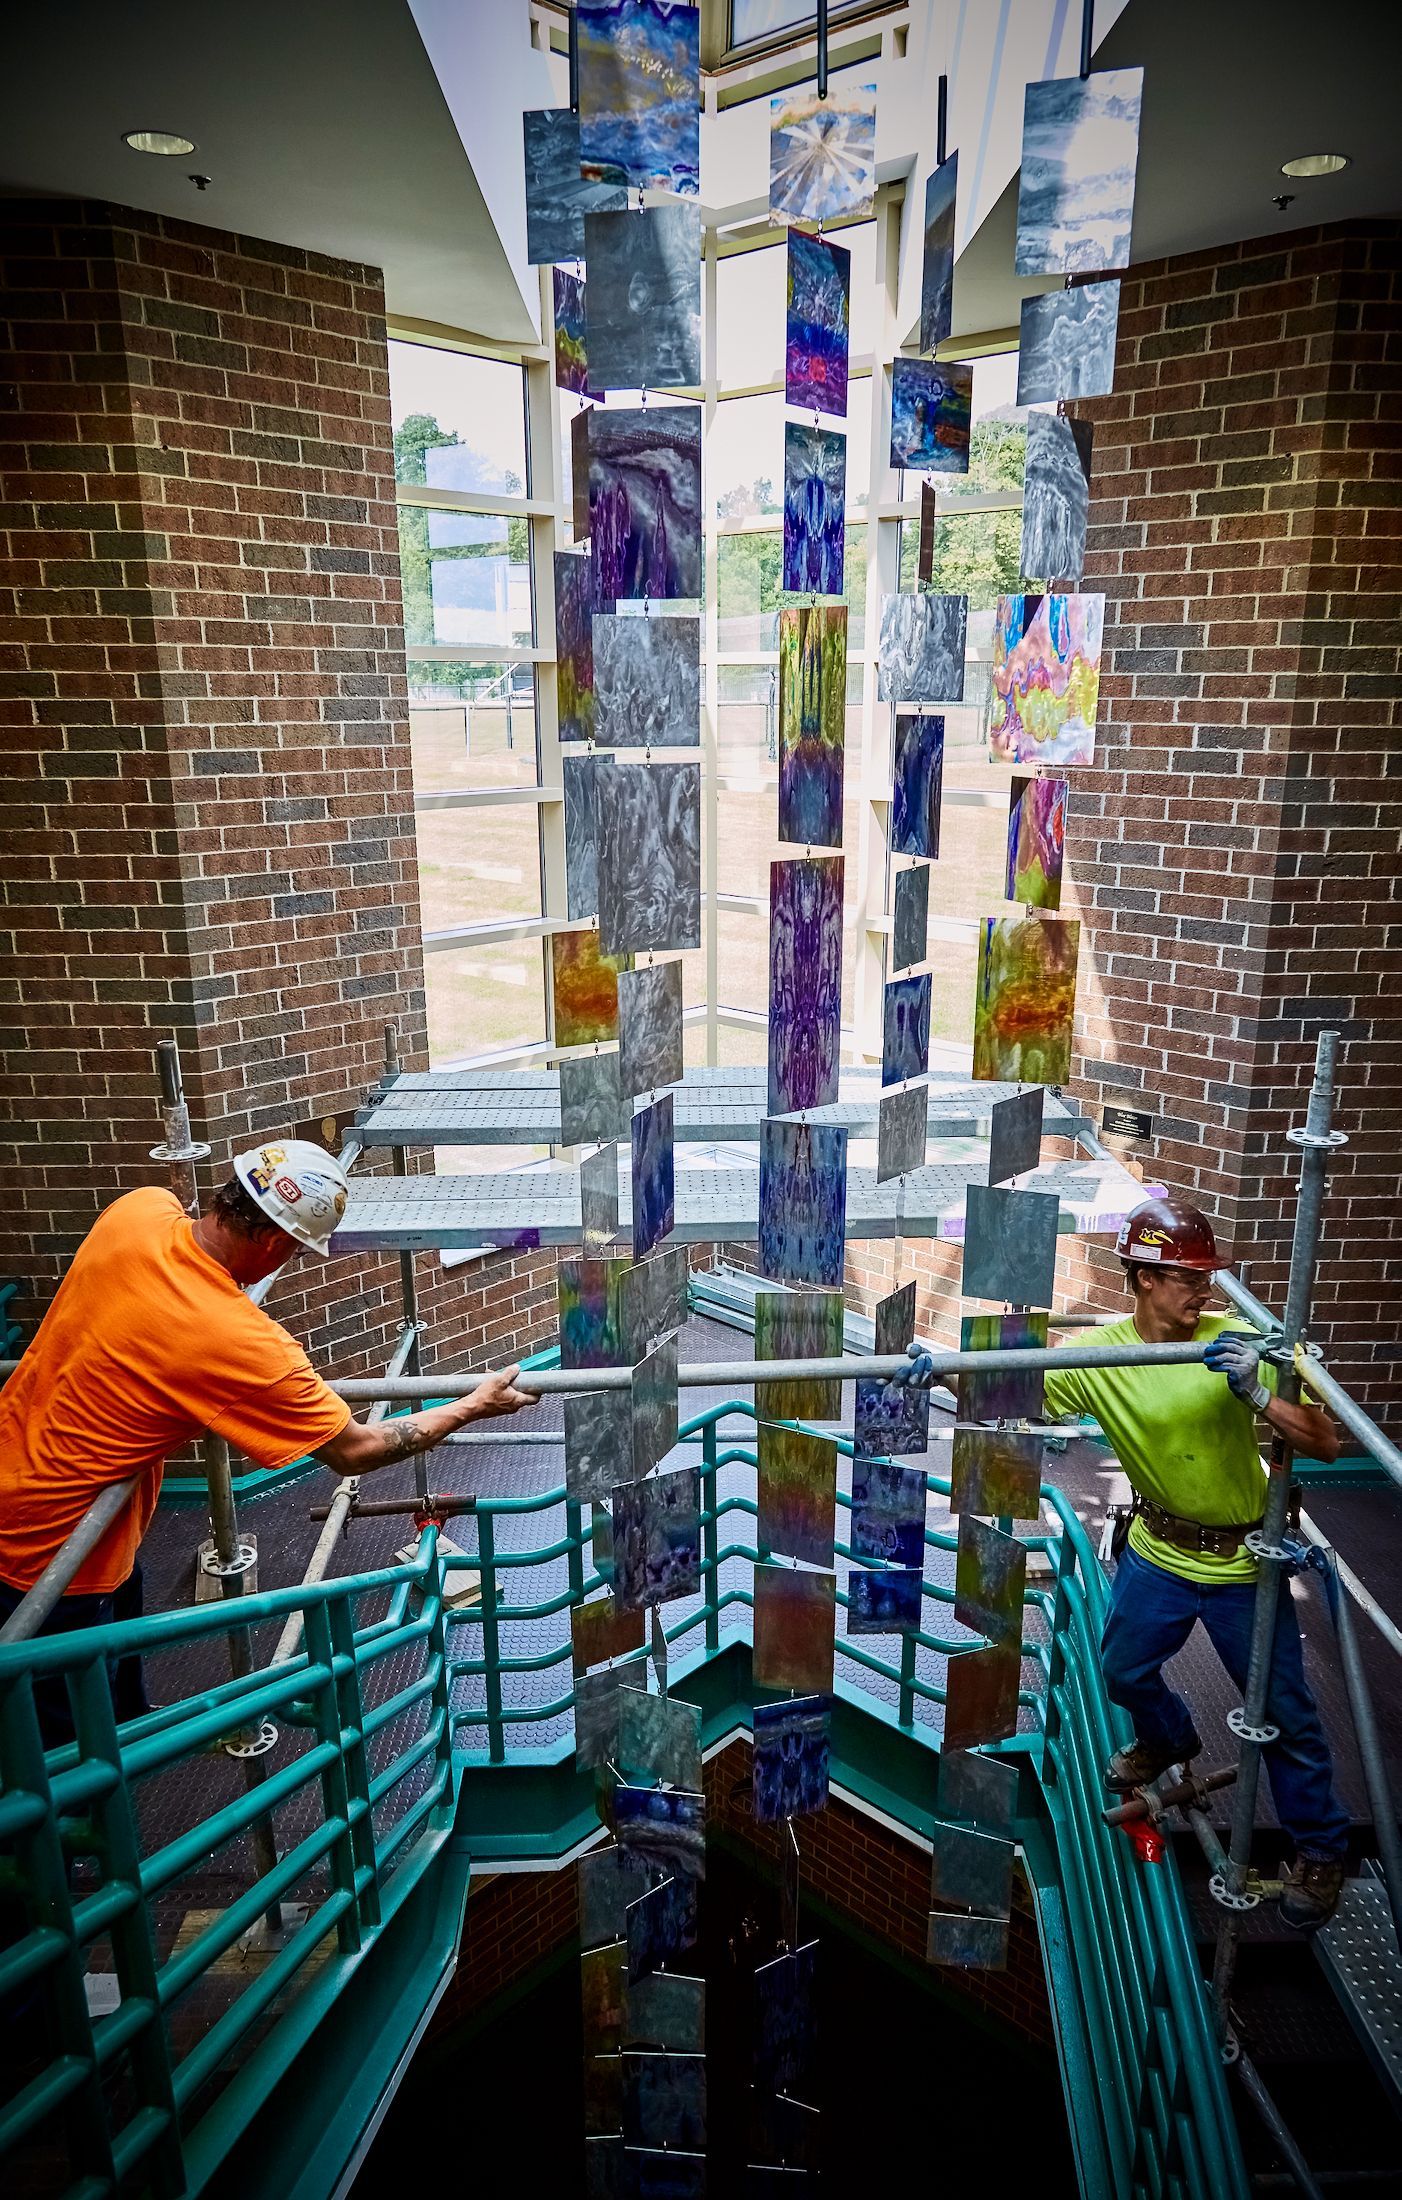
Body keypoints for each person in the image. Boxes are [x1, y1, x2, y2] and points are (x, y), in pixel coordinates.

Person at [0, 1141, 534, 1743]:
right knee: (60, 1754)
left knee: (116, 1684)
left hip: (45, 1489)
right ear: (279, 1244)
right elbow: (355, 1450)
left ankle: (122, 1738)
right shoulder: (236, 1342)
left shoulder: (138, 1211)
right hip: (51, 1552)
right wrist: (472, 1405)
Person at [1038, 1196, 1350, 1931]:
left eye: (1208, 1276)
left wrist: (1259, 1392)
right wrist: (938, 1371)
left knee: (1286, 1716)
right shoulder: (1102, 1357)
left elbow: (1325, 1442)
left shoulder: (1239, 1344)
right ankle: (1169, 1736)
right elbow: (1003, 1386)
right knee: (1122, 1671)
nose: (1204, 1291)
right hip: (1159, 1553)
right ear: (1144, 1278)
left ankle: (1320, 1849)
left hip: (1245, 1565)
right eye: (1188, 1277)